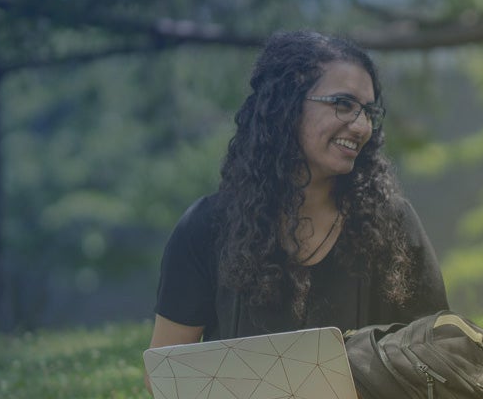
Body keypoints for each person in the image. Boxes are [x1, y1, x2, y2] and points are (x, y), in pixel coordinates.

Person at [145, 31, 449, 389]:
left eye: (368, 111)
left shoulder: (392, 223)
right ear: (285, 105)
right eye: (343, 103)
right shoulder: (206, 227)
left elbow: (438, 352)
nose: (361, 125)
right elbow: (163, 374)